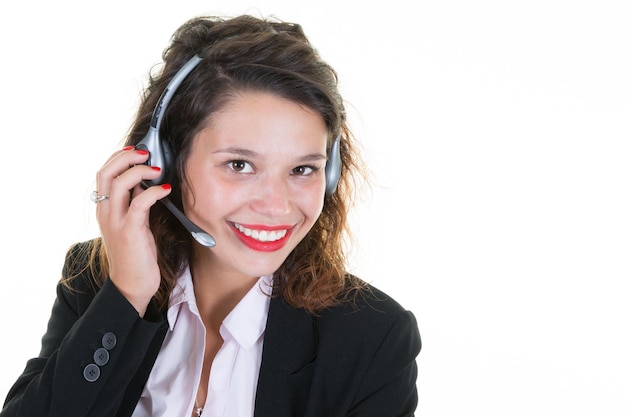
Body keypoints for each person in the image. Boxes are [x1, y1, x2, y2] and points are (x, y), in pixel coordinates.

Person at [1, 14, 421, 417]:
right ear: (163, 163)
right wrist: (127, 295)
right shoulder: (97, 279)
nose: (276, 205)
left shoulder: (374, 337)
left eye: (302, 169)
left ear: (328, 175)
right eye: (239, 165)